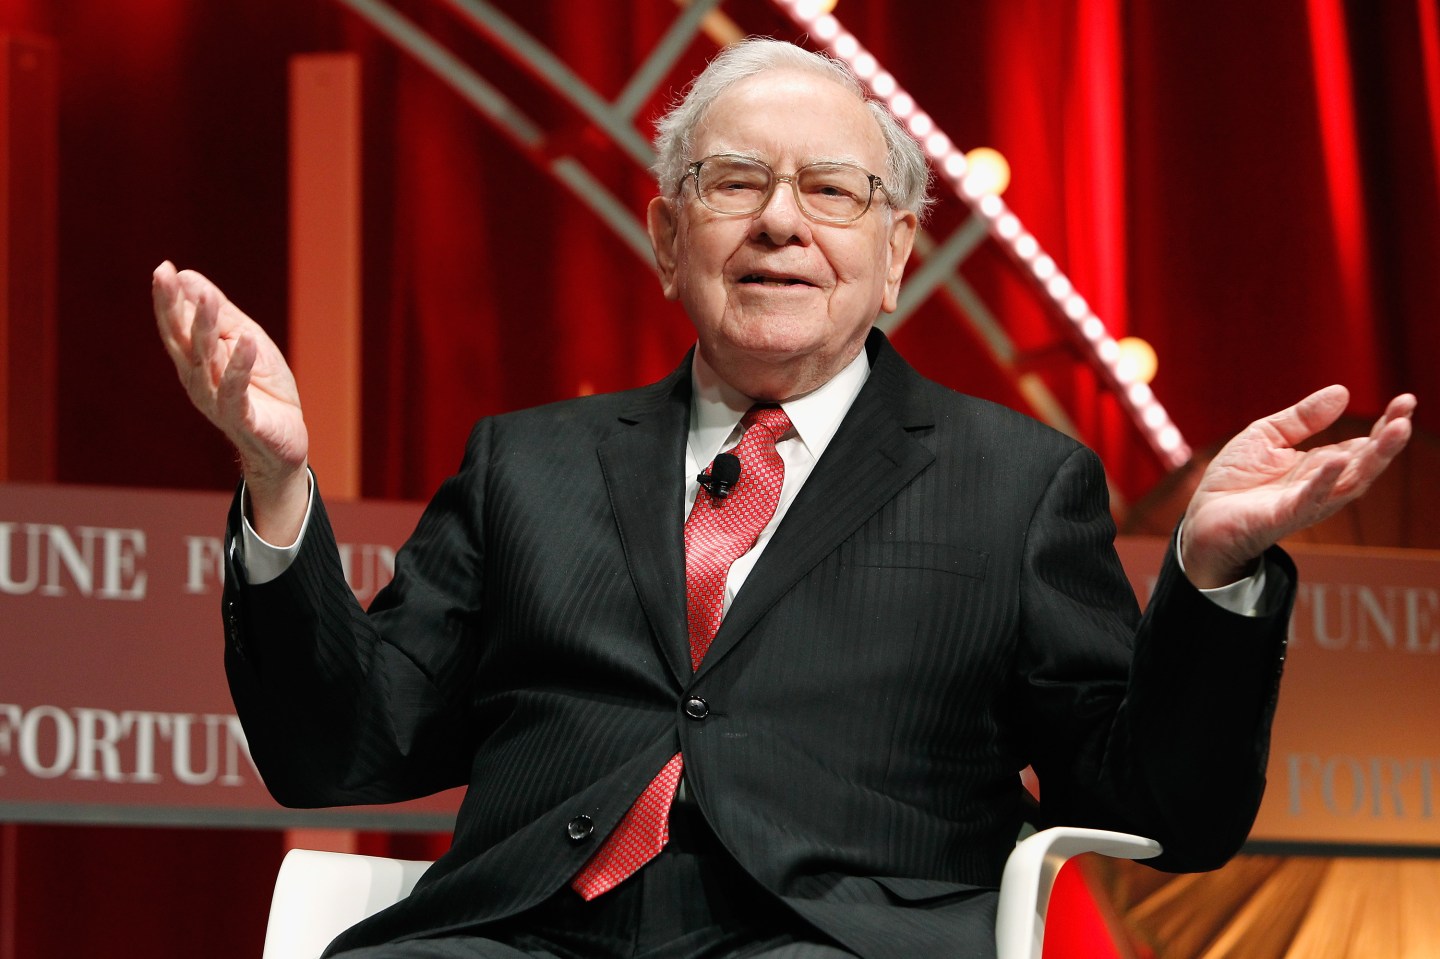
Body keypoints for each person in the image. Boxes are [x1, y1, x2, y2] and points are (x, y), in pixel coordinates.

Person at [152, 38, 1413, 959]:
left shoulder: (1016, 484)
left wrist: (1208, 575)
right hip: (521, 933)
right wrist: (278, 483)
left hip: (835, 936)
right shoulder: (523, 466)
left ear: (897, 258)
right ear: (662, 236)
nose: (781, 224)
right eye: (734, 182)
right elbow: (340, 746)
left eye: (834, 190)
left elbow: (1155, 806)